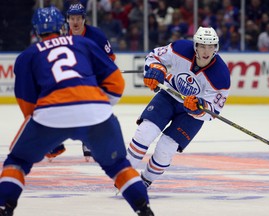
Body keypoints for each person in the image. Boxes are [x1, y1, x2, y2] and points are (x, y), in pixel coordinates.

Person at [0, 6, 154, 216]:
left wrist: (47, 140)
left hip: (51, 115)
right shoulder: (82, 43)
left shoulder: (27, 56)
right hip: (96, 112)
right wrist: (99, 108)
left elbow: (27, 103)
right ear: (63, 26)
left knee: (17, 161)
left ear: (35, 31)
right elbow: (116, 82)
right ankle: (143, 209)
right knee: (118, 166)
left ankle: (4, 207)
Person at [126, 26, 231, 187]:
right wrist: (156, 69)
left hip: (190, 114)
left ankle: (145, 181)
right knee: (144, 132)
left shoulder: (221, 76)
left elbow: (213, 112)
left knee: (165, 149)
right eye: (202, 45)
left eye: (211, 46)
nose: (206, 51)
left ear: (216, 47)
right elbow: (154, 56)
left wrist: (199, 107)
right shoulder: (180, 48)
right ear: (195, 45)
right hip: (169, 96)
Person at [46, 3, 116, 161]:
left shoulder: (97, 36)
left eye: (78, 18)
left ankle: (88, 141)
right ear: (68, 20)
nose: (75, 22)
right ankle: (54, 145)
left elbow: (110, 58)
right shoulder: (61, 36)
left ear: (84, 19)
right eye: (72, 18)